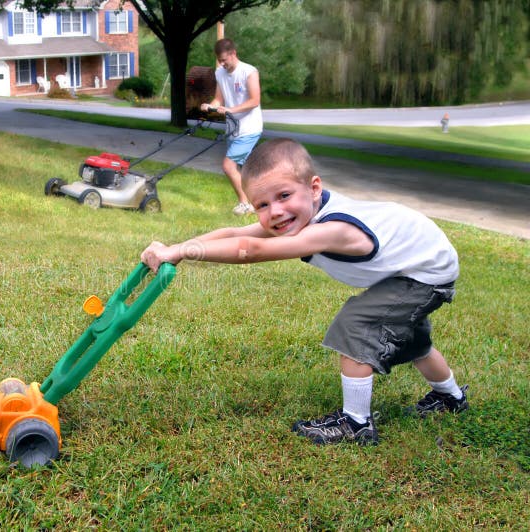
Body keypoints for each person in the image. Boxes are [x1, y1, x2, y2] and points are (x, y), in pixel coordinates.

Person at [140, 138, 468, 445]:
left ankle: (356, 424)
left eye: (284, 196)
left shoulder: (333, 228)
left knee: (357, 324)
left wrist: (183, 252)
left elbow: (250, 250)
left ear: (314, 188)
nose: (275, 212)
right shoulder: (305, 213)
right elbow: (233, 232)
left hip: (425, 272)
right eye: (262, 205)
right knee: (412, 339)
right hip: (415, 266)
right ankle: (450, 397)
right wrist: (176, 248)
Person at [200, 38, 263, 216]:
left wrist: (230, 109)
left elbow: (254, 100)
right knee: (246, 169)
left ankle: (245, 204)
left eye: (224, 60)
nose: (222, 64)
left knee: (228, 166)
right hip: (232, 129)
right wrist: (211, 106)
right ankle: (259, 201)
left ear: (233, 54)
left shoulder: (249, 72)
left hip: (249, 127)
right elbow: (219, 98)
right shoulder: (220, 73)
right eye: (219, 60)